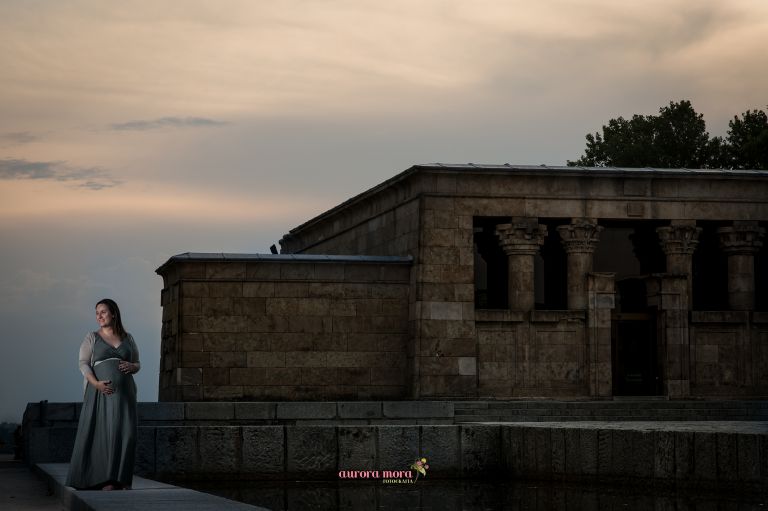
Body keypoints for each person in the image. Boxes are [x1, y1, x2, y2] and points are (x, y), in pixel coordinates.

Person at [66, 299, 140, 490]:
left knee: (126, 434)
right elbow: (83, 363)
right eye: (97, 312)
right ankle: (105, 480)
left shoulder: (128, 338)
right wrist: (96, 384)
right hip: (100, 392)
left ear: (113, 313)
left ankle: (122, 479)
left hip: (125, 395)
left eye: (103, 312)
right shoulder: (92, 337)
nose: (99, 316)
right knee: (103, 435)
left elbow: (137, 363)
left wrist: (132, 366)